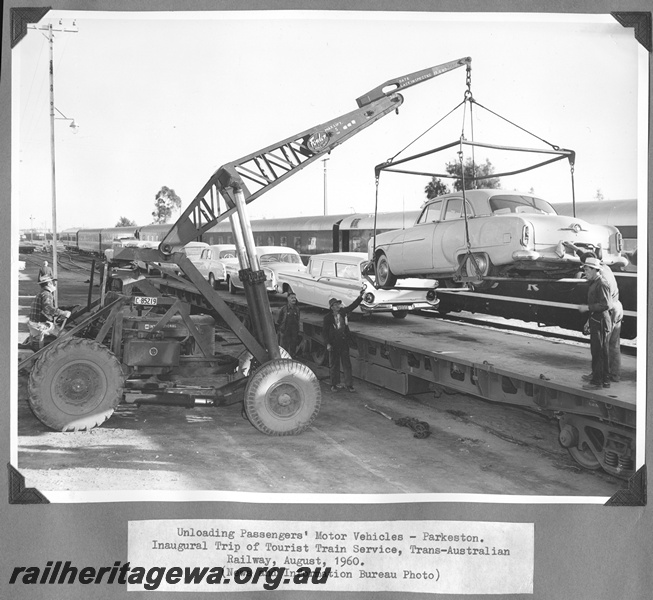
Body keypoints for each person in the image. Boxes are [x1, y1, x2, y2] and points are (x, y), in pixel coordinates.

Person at [571, 248, 623, 383]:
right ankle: (613, 375)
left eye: (587, 269)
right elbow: (588, 256)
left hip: (608, 309)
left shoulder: (600, 280)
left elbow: (603, 303)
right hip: (618, 306)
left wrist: (588, 312)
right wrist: (575, 249)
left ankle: (599, 376)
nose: (585, 272)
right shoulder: (604, 267)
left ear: (593, 268)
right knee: (613, 344)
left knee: (601, 346)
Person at [577, 257, 613, 390]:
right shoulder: (594, 283)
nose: (585, 272)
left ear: (595, 270)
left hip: (601, 321)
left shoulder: (601, 284)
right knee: (598, 351)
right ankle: (602, 379)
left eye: (587, 270)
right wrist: (588, 320)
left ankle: (598, 382)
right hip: (596, 319)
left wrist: (587, 308)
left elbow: (606, 305)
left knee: (599, 352)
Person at [322, 291, 364, 392]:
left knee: (346, 364)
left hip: (343, 342)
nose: (338, 306)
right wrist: (327, 343)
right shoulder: (327, 318)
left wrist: (360, 297)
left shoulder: (343, 312)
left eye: (338, 304)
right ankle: (334, 384)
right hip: (333, 344)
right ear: (332, 307)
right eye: (336, 305)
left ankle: (349, 385)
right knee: (334, 364)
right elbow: (325, 332)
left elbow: (352, 306)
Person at [27, 276, 71, 352]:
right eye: (53, 282)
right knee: (67, 336)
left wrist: (63, 309)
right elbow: (48, 308)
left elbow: (47, 308)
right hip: (39, 324)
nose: (54, 284)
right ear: (49, 283)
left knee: (57, 328)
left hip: (34, 323)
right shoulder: (47, 294)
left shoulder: (41, 293)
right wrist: (63, 313)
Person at [276, 292, 301, 357]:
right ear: (288, 299)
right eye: (292, 298)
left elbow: (298, 319)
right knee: (284, 347)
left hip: (294, 331)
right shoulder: (284, 309)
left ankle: (292, 357)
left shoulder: (297, 309)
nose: (294, 299)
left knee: (293, 345)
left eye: (295, 298)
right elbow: (279, 320)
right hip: (285, 330)